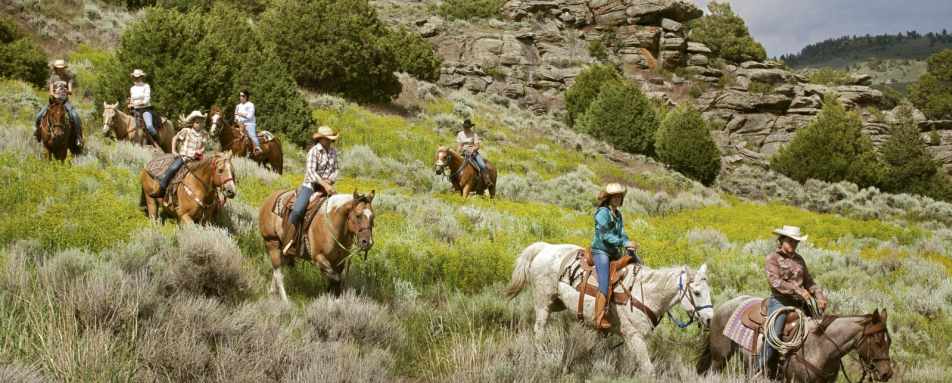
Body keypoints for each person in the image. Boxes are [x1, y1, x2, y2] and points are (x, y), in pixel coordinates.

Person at [759, 226, 829, 376]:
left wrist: (819, 295)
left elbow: (809, 281)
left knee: (822, 328)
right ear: (782, 240)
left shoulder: (799, 259)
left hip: (801, 303)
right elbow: (775, 282)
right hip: (780, 302)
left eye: (796, 242)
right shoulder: (772, 258)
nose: (793, 245)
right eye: (790, 241)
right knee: (774, 334)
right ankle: (759, 368)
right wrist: (798, 290)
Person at [283, 126, 340, 256]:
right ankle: (291, 241)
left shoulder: (333, 152)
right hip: (311, 186)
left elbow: (336, 169)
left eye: (331, 139)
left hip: (328, 187)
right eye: (328, 139)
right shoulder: (313, 151)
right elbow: (311, 172)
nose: (331, 142)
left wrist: (330, 181)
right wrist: (324, 184)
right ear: (321, 139)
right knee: (297, 211)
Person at [590, 183, 639, 330]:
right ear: (609, 198)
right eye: (615, 197)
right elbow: (605, 236)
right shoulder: (602, 213)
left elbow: (621, 233)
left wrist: (628, 242)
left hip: (613, 251)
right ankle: (599, 317)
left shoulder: (618, 214)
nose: (617, 199)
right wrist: (623, 243)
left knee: (636, 263)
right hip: (601, 251)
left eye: (620, 197)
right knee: (604, 283)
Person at [150, 111, 209, 198]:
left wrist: (201, 150)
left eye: (201, 122)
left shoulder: (204, 134)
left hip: (197, 159)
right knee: (173, 168)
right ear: (192, 123)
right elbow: (175, 138)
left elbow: (204, 146)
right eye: (197, 122)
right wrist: (174, 151)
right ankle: (161, 187)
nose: (199, 124)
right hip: (184, 157)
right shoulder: (186, 131)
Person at [35, 59, 83, 152]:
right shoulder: (53, 78)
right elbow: (50, 91)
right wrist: (54, 94)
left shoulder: (68, 77)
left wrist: (66, 91)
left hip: (64, 101)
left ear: (64, 68)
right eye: (58, 68)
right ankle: (37, 133)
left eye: (62, 68)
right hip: (54, 101)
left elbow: (70, 91)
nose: (60, 70)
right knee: (39, 115)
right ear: (56, 69)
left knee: (75, 116)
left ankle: (78, 137)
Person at [456, 119, 492, 186]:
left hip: (473, 153)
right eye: (465, 127)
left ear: (470, 127)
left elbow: (477, 146)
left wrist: (472, 150)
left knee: (482, 165)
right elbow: (459, 146)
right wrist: (457, 153)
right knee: (453, 163)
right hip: (463, 152)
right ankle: (453, 182)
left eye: (467, 127)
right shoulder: (460, 134)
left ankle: (487, 179)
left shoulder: (474, 134)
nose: (466, 128)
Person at [128, 69, 159, 141]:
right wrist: (130, 104)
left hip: (145, 110)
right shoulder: (132, 88)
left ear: (141, 77)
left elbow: (146, 100)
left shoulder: (146, 86)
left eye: (137, 77)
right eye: (134, 77)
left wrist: (136, 103)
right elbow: (132, 99)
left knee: (149, 126)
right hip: (134, 111)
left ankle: (156, 139)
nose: (136, 78)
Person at [234, 89, 261, 154]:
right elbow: (235, 116)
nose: (241, 97)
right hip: (239, 124)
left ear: (246, 97)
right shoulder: (238, 106)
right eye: (240, 96)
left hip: (249, 124)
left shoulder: (251, 105)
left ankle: (257, 148)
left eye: (243, 96)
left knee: (252, 135)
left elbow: (250, 116)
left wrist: (241, 114)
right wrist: (238, 121)